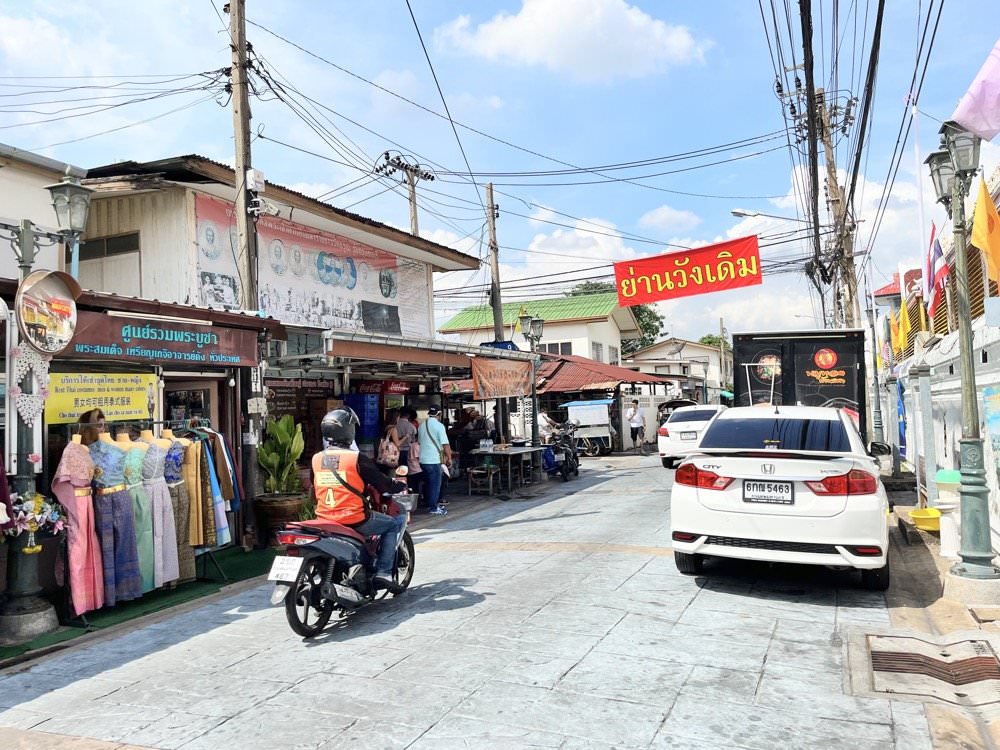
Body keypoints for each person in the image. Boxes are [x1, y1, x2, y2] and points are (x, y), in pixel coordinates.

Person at [315, 408, 406, 589]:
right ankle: (384, 572)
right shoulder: (356, 458)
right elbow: (382, 483)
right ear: (349, 431)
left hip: (324, 518)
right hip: (354, 518)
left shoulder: (317, 458)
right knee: (394, 523)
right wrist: (399, 485)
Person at [417, 405, 452, 516]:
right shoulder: (439, 426)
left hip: (422, 459)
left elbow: (419, 442)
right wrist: (449, 458)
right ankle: (433, 507)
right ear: (439, 415)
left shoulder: (422, 425)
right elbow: (445, 444)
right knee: (435, 484)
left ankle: (430, 504)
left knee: (429, 483)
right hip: (433, 460)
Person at [395, 407, 417, 476]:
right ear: (408, 415)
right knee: (406, 472)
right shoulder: (411, 426)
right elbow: (414, 440)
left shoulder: (394, 425)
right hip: (408, 451)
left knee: (397, 472)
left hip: (395, 452)